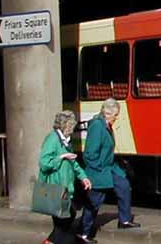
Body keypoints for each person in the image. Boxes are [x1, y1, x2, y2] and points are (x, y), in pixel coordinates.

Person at [78, 98, 140, 243]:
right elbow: (89, 153)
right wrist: (98, 167)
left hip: (110, 167)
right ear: (107, 113)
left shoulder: (106, 125)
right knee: (94, 201)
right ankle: (83, 233)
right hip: (98, 169)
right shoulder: (97, 126)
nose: (116, 118)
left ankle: (124, 221)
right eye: (115, 115)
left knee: (123, 186)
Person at [38, 110, 92, 244]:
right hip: (55, 188)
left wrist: (83, 177)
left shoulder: (66, 140)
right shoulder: (52, 139)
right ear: (66, 125)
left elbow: (73, 162)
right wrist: (62, 156)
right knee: (65, 219)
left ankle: (50, 241)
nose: (73, 129)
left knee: (65, 219)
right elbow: (44, 163)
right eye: (72, 126)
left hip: (66, 188)